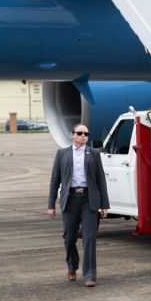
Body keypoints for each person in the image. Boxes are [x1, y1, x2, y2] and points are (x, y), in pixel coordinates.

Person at [46, 123, 110, 287]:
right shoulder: (62, 154)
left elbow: (100, 180)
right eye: (80, 133)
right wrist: (51, 204)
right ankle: (72, 266)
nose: (83, 136)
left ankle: (89, 275)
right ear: (72, 135)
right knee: (69, 238)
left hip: (89, 199)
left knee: (89, 238)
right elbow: (55, 180)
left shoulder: (94, 154)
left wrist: (104, 205)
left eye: (86, 134)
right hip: (70, 198)